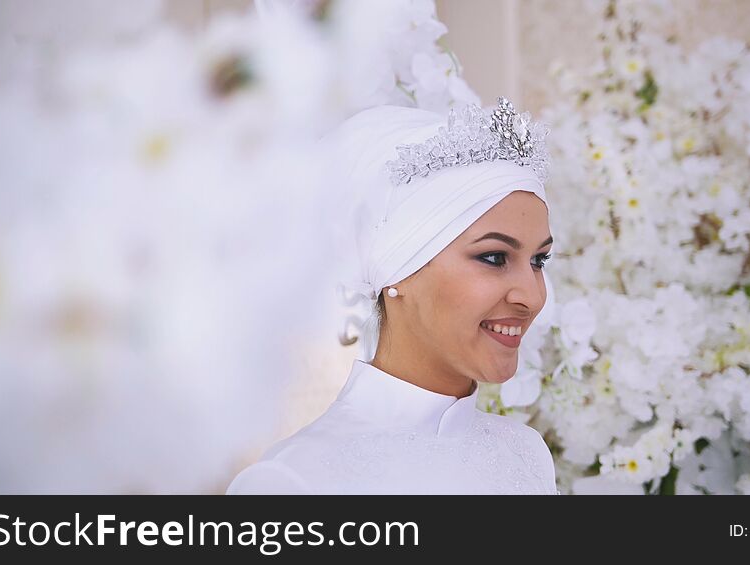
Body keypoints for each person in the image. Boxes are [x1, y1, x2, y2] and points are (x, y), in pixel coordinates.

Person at [227, 97, 559, 494]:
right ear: (395, 269)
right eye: (493, 257)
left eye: (539, 260)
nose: (532, 296)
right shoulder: (296, 482)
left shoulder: (524, 454)